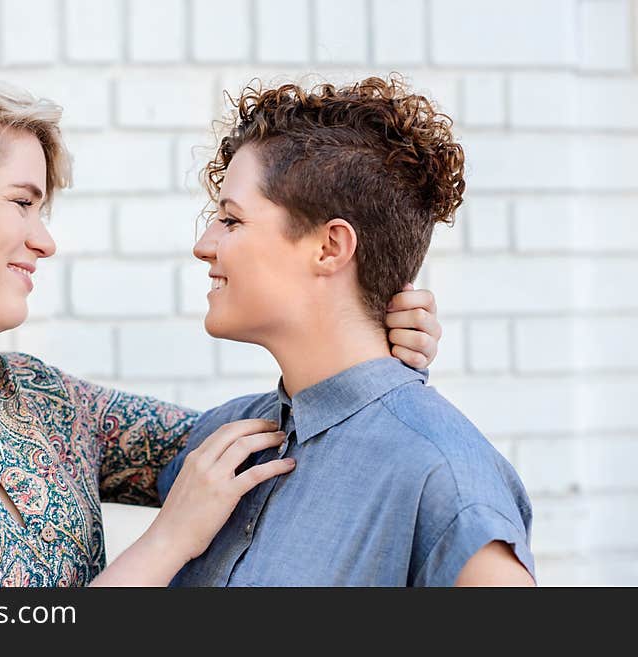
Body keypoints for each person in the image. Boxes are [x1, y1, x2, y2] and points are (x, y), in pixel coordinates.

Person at [0, 73, 440, 587]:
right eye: (23, 203)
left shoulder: (46, 402)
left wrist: (367, 350)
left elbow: (276, 446)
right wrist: (165, 542)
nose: (44, 240)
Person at [158, 76, 536, 587]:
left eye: (230, 220)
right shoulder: (220, 441)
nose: (204, 245)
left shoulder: (443, 476)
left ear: (330, 247)